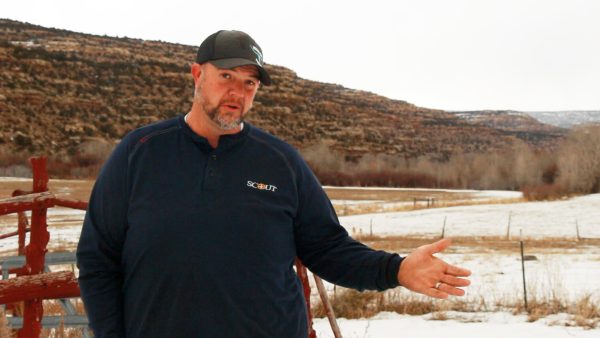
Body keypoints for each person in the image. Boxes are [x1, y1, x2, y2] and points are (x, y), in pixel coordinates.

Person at [76, 30, 471, 338]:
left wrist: (397, 269)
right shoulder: (140, 151)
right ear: (197, 75)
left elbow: (328, 248)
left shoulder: (281, 162)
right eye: (226, 77)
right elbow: (98, 259)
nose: (237, 92)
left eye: (250, 83)